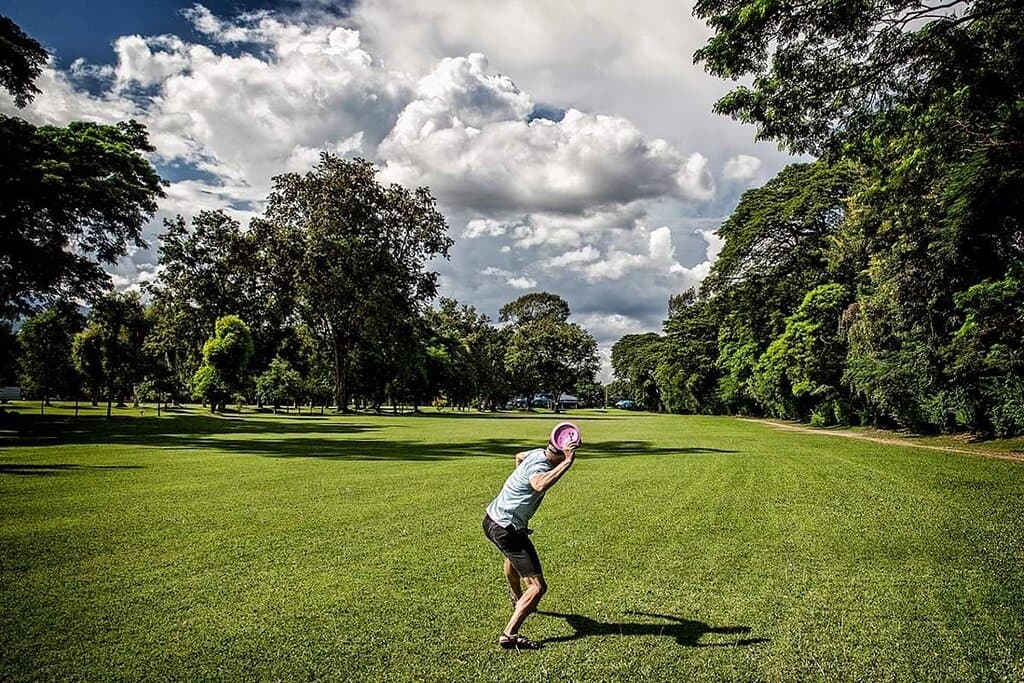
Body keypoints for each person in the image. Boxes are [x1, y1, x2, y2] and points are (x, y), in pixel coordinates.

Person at [482, 423, 580, 650]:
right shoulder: (541, 464)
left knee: (512, 558)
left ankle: (517, 598)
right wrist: (567, 462)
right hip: (506, 528)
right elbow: (539, 484)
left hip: (491, 519)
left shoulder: (537, 452)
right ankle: (509, 634)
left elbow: (519, 456)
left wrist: (517, 494)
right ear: (562, 451)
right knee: (537, 587)